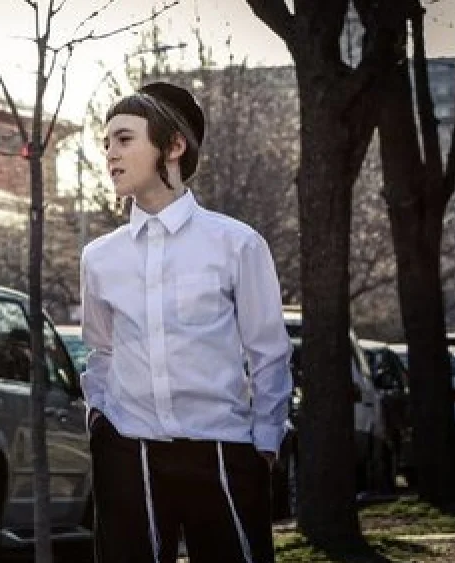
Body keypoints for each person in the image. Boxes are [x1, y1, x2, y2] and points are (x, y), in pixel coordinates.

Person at [80, 81, 292, 563]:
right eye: (106, 142)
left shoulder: (236, 244)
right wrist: (100, 423)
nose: (110, 153)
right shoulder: (99, 257)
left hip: (222, 451)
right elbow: (102, 351)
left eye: (125, 139)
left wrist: (265, 440)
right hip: (129, 452)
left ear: (173, 146)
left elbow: (268, 350)